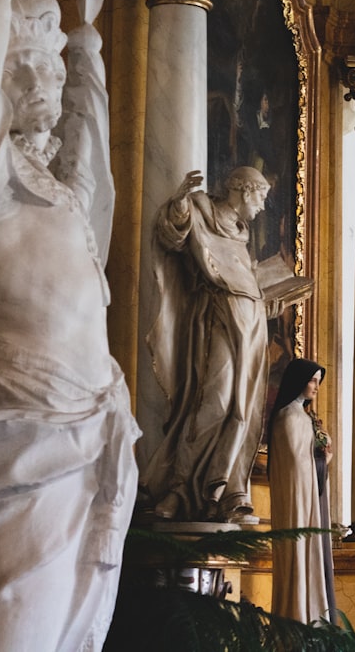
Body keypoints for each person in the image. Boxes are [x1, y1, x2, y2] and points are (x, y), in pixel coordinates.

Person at [0, 0, 139, 650]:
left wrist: (89, 45)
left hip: (90, 433)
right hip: (23, 440)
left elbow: (101, 181)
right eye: (23, 65)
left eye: (50, 66)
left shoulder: (56, 191)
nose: (41, 81)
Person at [142, 166, 274, 523]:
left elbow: (242, 276)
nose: (262, 206)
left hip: (251, 322)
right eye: (260, 196)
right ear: (244, 190)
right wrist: (180, 202)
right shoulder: (201, 208)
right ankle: (180, 488)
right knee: (214, 401)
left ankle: (228, 492)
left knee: (242, 408)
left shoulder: (241, 236)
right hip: (217, 315)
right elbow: (173, 236)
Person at [268, 359, 336, 625]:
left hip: (307, 500)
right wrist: (323, 460)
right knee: (299, 557)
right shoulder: (289, 417)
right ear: (298, 381)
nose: (316, 387)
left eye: (319, 381)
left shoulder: (301, 417)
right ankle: (301, 616)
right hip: (297, 505)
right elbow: (296, 465)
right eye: (312, 380)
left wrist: (320, 456)